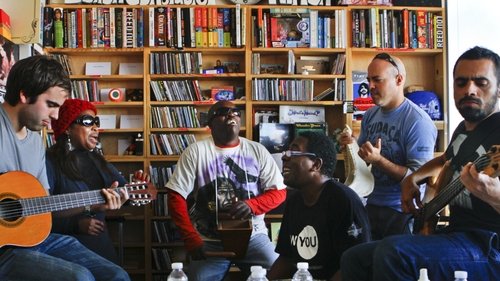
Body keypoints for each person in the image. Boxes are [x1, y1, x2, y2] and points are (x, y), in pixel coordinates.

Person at [340, 46, 500, 281]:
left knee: (392, 253)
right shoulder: (463, 129)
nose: (470, 90)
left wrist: (494, 197)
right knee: (354, 258)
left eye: (481, 83)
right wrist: (414, 178)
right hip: (453, 234)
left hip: (488, 245)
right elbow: (445, 159)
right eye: (461, 82)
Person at [0, 55, 130, 281]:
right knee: (80, 277)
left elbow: (43, 205)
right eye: (51, 105)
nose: (56, 116)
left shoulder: (34, 142)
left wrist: (92, 202)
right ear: (24, 94)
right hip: (4, 252)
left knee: (116, 275)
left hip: (33, 240)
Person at [166, 100, 287, 281]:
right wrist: (191, 237)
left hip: (254, 238)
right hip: (210, 241)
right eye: (223, 112)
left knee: (279, 274)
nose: (231, 115)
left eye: (236, 112)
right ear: (210, 124)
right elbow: (176, 196)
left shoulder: (257, 150)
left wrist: (252, 205)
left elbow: (279, 192)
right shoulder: (195, 152)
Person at [339, 52, 437, 239]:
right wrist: (351, 145)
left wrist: (379, 160)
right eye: (369, 80)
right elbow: (364, 159)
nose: (370, 86)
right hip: (370, 205)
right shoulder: (370, 115)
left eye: (377, 80)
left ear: (399, 79)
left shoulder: (418, 122)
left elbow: (419, 178)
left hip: (401, 211)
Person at [46, 98, 149, 264]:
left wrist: (134, 190)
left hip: (100, 246)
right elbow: (39, 215)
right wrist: (75, 224)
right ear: (67, 128)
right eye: (87, 121)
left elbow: (122, 193)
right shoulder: (49, 162)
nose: (95, 127)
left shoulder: (97, 160)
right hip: (64, 251)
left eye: (96, 121)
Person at [267, 131, 371, 281]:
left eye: (293, 152)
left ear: (316, 164)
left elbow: (356, 265)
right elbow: (287, 258)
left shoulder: (342, 200)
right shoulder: (294, 200)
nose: (284, 157)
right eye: (286, 152)